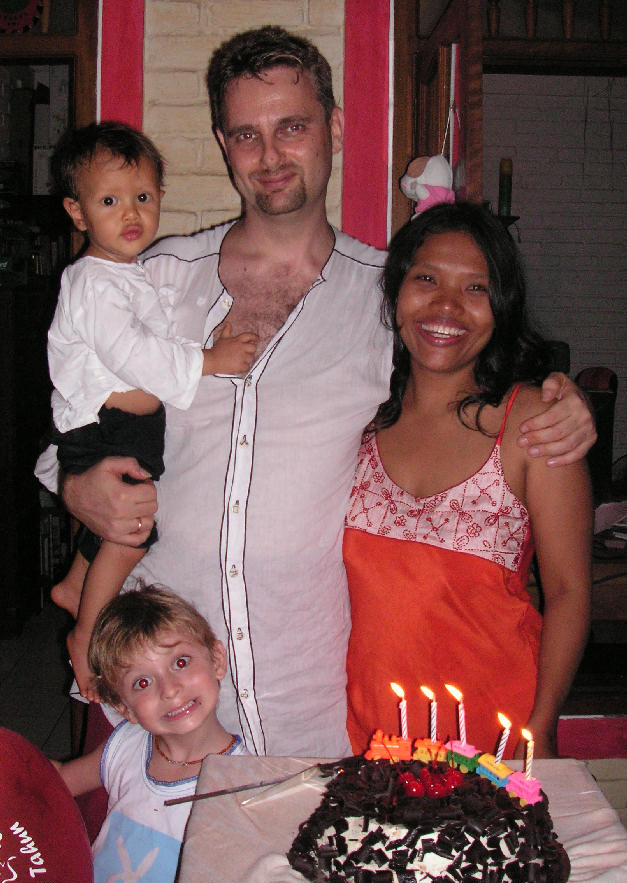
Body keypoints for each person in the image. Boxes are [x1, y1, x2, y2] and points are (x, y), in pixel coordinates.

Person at [36, 27, 595, 758]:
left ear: (333, 127)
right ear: (223, 143)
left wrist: (562, 399)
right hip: (162, 685)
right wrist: (72, 484)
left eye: (292, 127)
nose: (270, 156)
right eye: (247, 135)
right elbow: (77, 400)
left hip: (310, 699)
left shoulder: (388, 298)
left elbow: (469, 372)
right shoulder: (156, 278)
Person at [345, 202, 592, 759]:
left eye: (475, 288)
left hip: (496, 737)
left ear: (501, 307)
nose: (446, 306)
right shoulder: (354, 419)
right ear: (396, 292)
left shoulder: (536, 424)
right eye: (426, 279)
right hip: (368, 735)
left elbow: (570, 593)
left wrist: (541, 729)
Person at [45, 121, 258, 699]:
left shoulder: (126, 274)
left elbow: (152, 343)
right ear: (77, 213)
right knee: (134, 528)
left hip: (122, 424)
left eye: (142, 196)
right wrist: (211, 360)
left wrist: (201, 346)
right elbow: (135, 356)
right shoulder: (93, 281)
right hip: (105, 425)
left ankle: (76, 583)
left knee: (126, 519)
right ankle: (86, 629)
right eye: (109, 202)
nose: (131, 213)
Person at [51, 584, 248, 883]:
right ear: (124, 707)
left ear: (216, 659)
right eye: (143, 682)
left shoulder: (246, 783)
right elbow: (56, 780)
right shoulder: (124, 747)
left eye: (181, 662)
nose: (169, 689)